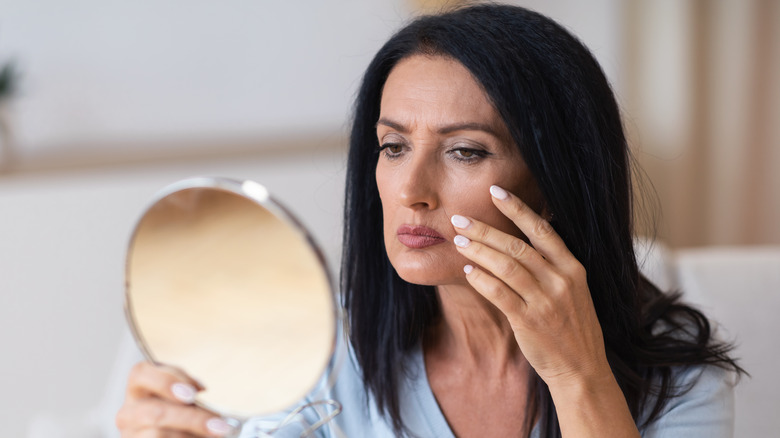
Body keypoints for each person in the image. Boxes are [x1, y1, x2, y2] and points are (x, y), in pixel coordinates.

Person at [116, 4, 743, 437]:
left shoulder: (679, 382)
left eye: (465, 151)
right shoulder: (320, 354)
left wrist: (577, 377)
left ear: (556, 180)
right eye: (393, 148)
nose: (411, 190)